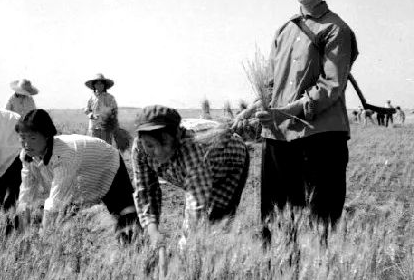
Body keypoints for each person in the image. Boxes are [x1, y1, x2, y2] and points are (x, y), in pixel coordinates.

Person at [233, 0, 355, 246]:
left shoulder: (336, 29)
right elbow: (272, 88)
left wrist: (285, 112)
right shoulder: (283, 31)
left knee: (318, 228)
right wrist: (251, 110)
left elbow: (330, 86)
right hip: (278, 140)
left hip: (320, 140)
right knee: (277, 226)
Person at [132, 105, 249, 248]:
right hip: (195, 171)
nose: (158, 151)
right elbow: (145, 190)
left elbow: (196, 204)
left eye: (164, 143)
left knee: (216, 221)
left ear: (177, 136)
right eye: (150, 145)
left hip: (228, 162)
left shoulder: (192, 148)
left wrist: (185, 250)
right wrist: (152, 230)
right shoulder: (139, 148)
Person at [15, 109, 139, 243]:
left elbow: (55, 201)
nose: (26, 144)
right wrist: (21, 235)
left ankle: (136, 248)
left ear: (46, 136)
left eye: (32, 138)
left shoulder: (64, 155)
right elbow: (26, 194)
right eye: (22, 137)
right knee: (66, 217)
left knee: (125, 216)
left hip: (107, 162)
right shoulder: (27, 155)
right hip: (80, 175)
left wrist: (42, 239)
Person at [84, 73, 118, 144]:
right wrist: (92, 115)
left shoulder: (110, 97)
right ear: (94, 85)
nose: (99, 85)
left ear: (104, 85)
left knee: (106, 147)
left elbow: (115, 111)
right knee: (94, 146)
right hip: (94, 127)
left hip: (106, 128)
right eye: (97, 83)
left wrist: (109, 117)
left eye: (101, 83)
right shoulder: (91, 97)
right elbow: (86, 110)